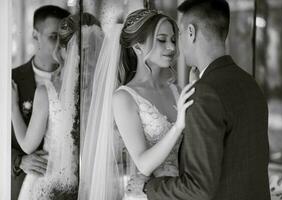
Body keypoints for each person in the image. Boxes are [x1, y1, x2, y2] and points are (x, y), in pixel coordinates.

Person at [144, 0, 271, 199]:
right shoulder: (250, 84)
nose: (178, 44)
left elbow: (198, 189)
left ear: (191, 33)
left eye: (180, 33)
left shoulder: (205, 93)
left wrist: (150, 187)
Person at [80, 9, 195, 200]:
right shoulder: (124, 98)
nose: (171, 47)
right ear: (137, 46)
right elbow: (143, 163)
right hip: (146, 194)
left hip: (178, 191)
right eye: (162, 40)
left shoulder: (177, 90)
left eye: (173, 40)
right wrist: (178, 127)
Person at [11, 12, 87, 199]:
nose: (58, 44)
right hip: (26, 182)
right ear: (35, 35)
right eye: (53, 37)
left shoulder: (85, 88)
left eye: (64, 38)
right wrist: (18, 160)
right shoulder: (11, 82)